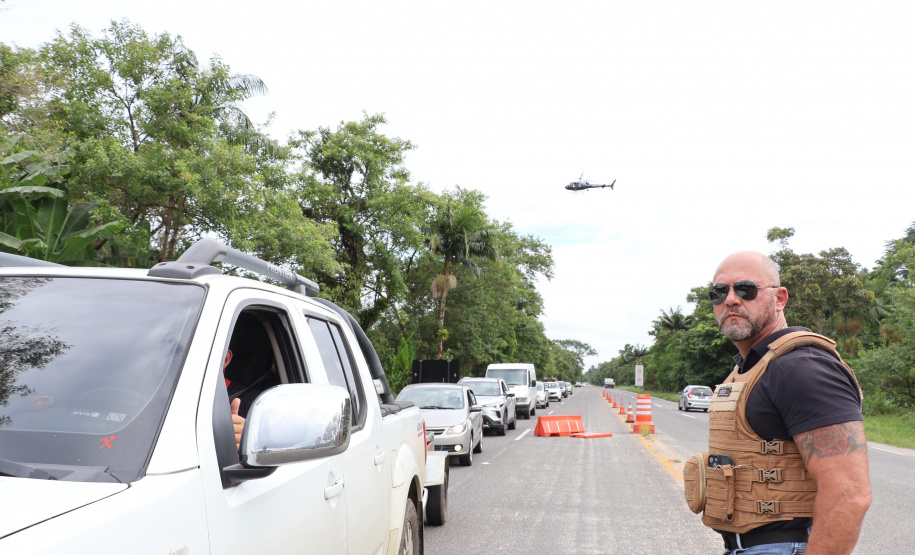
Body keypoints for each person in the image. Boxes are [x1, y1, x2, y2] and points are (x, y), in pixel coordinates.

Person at [700, 251, 871, 555]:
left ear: (779, 299)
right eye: (719, 292)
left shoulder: (801, 367)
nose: (730, 300)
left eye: (746, 289)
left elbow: (849, 493)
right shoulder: (749, 368)